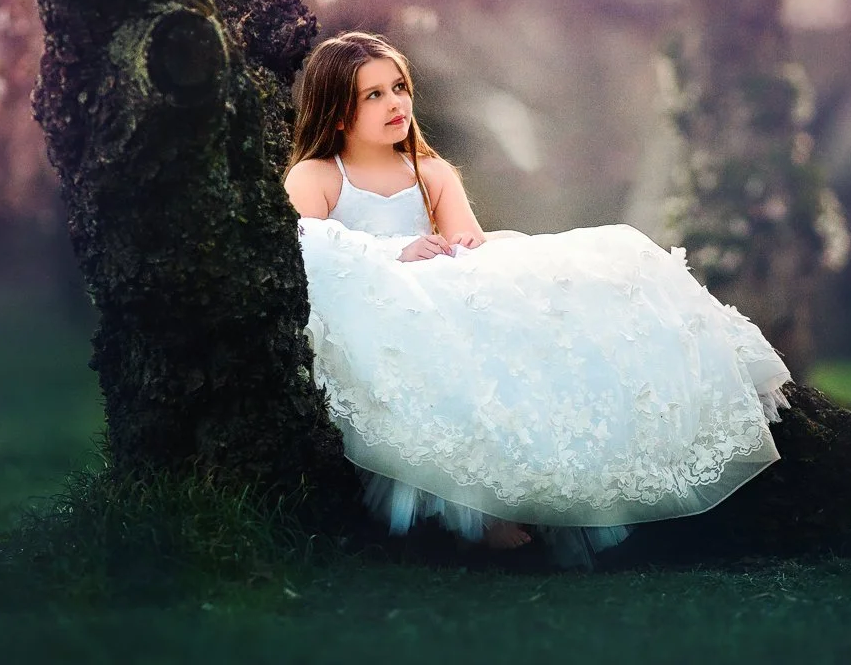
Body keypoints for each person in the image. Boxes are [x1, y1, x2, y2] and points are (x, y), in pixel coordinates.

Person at [286, 31, 791, 565]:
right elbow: (312, 249)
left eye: (399, 87)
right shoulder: (317, 176)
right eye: (374, 95)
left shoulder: (430, 173)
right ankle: (479, 507)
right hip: (378, 297)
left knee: (546, 286)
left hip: (439, 282)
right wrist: (394, 256)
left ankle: (538, 481)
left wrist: (455, 249)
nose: (396, 104)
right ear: (338, 114)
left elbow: (469, 245)